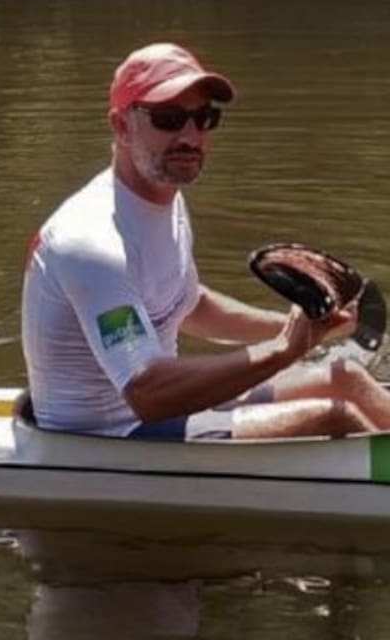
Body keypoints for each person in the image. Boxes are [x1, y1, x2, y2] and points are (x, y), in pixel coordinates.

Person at [21, 41, 390, 439]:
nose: (191, 136)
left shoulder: (167, 203)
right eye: (168, 118)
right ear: (121, 126)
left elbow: (190, 305)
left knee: (345, 377)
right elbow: (148, 393)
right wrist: (283, 350)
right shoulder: (91, 245)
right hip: (108, 434)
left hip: (164, 410)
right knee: (332, 416)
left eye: (204, 118)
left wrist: (302, 330)